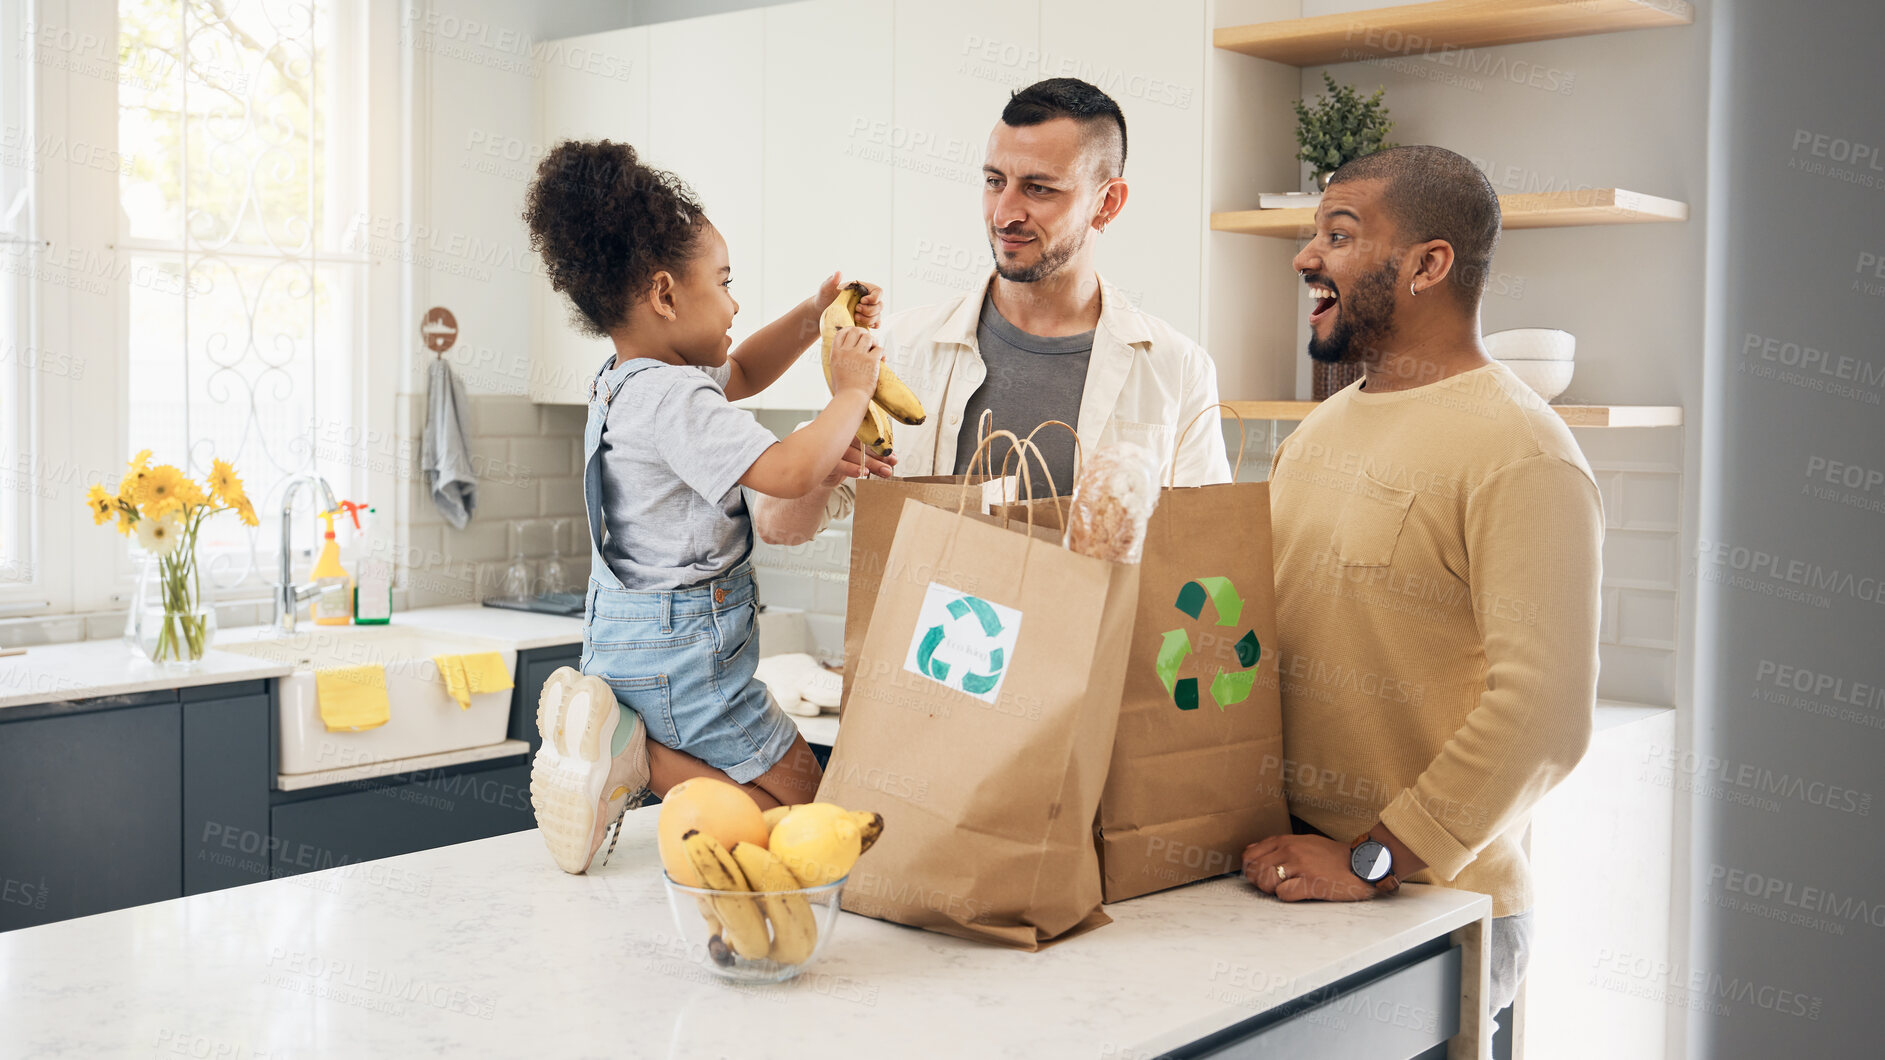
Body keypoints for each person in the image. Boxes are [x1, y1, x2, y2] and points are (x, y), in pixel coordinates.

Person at [1241, 146, 1602, 1023]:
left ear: (1428, 265)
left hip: (1434, 909)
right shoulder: (1316, 434)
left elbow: (1545, 715)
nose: (1305, 257)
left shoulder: (1521, 449)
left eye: (1338, 234)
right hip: (1290, 887)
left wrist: (1372, 860)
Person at [518, 139, 887, 874]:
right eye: (723, 281)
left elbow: (743, 368)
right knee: (795, 814)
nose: (734, 300)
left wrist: (814, 313)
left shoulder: (625, 381)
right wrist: (849, 391)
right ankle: (637, 758)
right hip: (685, 646)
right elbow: (785, 471)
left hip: (620, 632)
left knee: (773, 819)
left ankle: (623, 745)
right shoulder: (675, 396)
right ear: (663, 294)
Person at [752, 77, 1231, 546]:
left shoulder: (1176, 368)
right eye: (994, 181)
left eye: (1039, 189)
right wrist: (820, 476)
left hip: (1094, 628)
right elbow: (778, 528)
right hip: (920, 626)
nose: (1004, 213)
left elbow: (1204, 547)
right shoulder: (895, 350)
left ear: (1107, 203)